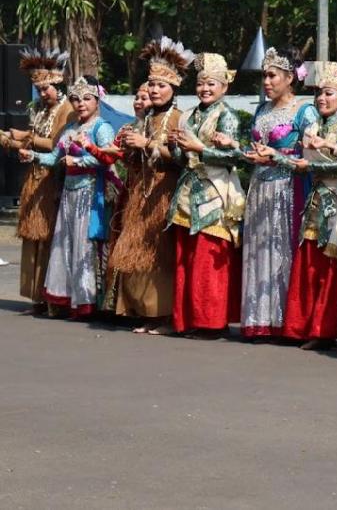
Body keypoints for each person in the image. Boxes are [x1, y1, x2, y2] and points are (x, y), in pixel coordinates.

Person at [224, 47, 318, 340]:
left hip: (287, 189)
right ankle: (259, 319)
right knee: (258, 249)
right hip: (259, 187)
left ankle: (284, 321)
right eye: (264, 75)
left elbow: (312, 160)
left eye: (272, 75)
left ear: (289, 78)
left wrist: (276, 157)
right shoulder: (261, 110)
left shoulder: (305, 110)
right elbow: (253, 151)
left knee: (281, 251)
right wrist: (235, 148)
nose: (266, 81)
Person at [107, 37, 191, 334]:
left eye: (161, 86)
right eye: (151, 85)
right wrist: (130, 147)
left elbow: (183, 157)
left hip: (164, 193)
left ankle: (165, 316)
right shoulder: (146, 118)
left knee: (160, 253)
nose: (155, 90)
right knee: (138, 249)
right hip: (141, 190)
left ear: (174, 89)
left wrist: (149, 144)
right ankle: (144, 312)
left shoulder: (179, 119)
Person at [281, 61, 337, 349]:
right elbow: (303, 163)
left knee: (333, 264)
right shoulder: (315, 125)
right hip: (318, 198)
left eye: (328, 93)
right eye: (319, 93)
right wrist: (274, 156)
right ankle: (303, 326)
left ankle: (327, 330)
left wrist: (316, 162)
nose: (321, 99)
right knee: (310, 261)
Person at [20, 77, 116, 317]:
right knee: (65, 245)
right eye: (76, 99)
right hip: (69, 194)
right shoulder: (71, 128)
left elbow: (107, 158)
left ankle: (87, 303)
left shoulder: (101, 127)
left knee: (84, 247)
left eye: (86, 98)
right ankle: (66, 299)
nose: (80, 103)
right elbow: (54, 158)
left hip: (90, 192)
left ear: (97, 100)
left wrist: (79, 160)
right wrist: (32, 156)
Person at [166, 53, 245, 338]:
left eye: (211, 84)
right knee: (186, 259)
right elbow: (180, 158)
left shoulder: (228, 116)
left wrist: (199, 148)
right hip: (188, 192)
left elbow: (235, 157)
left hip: (215, 191)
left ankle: (211, 322)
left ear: (224, 87)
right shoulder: (189, 115)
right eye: (201, 84)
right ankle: (186, 319)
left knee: (209, 260)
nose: (205, 89)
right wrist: (176, 146)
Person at [3, 48, 75, 313]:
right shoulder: (43, 110)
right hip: (34, 178)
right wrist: (10, 140)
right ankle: (37, 298)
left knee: (48, 239)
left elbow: (57, 144)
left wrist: (27, 138)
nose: (42, 94)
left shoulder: (67, 109)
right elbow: (31, 138)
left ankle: (52, 299)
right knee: (33, 238)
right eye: (39, 89)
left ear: (58, 84)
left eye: (46, 89)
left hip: (52, 180)